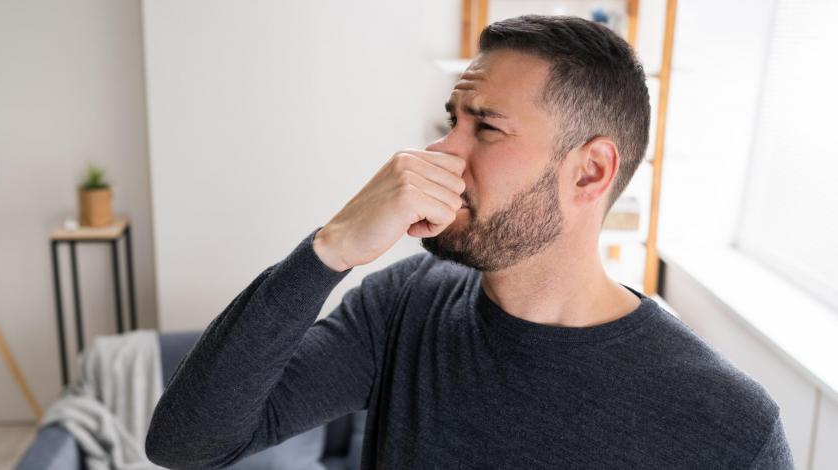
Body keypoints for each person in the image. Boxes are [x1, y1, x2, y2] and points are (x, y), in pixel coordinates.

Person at [145, 15, 794, 469]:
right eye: (449, 121)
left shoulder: (728, 424)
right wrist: (331, 248)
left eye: (484, 129)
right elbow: (187, 442)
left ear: (589, 172)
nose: (439, 151)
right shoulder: (404, 305)